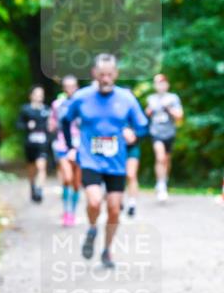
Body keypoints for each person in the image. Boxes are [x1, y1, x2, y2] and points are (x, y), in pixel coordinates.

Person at [61, 54, 149, 268]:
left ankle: (107, 250)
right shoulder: (82, 97)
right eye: (102, 75)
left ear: (116, 74)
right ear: (94, 74)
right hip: (90, 159)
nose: (106, 79)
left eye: (110, 75)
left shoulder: (126, 98)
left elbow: (143, 126)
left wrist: (133, 135)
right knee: (93, 201)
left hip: (116, 163)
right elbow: (65, 120)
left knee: (114, 209)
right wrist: (72, 147)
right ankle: (92, 228)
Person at [144, 73, 184, 202]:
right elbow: (145, 115)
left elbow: (179, 116)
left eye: (162, 83)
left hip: (169, 133)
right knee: (160, 157)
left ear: (167, 85)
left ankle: (163, 180)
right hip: (156, 133)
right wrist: (149, 111)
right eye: (157, 83)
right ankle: (161, 185)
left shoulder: (173, 98)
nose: (160, 86)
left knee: (166, 160)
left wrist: (169, 109)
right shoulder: (151, 99)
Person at [50, 75, 82, 226]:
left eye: (73, 86)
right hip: (63, 145)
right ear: (63, 88)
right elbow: (52, 123)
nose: (70, 89)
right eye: (67, 86)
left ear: (77, 87)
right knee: (67, 178)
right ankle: (66, 211)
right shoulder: (57, 104)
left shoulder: (83, 104)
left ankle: (72, 213)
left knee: (76, 183)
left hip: (81, 146)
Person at [16, 86, 52, 203]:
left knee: (42, 166)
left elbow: (51, 126)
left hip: (43, 143)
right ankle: (32, 186)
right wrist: (27, 125)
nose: (40, 96)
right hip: (30, 143)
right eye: (37, 94)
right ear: (31, 95)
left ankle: (39, 190)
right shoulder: (25, 109)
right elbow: (18, 125)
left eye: (41, 94)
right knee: (32, 168)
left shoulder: (47, 110)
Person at [124, 129, 141, 217]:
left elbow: (143, 128)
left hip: (132, 147)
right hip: (113, 146)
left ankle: (132, 204)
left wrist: (135, 134)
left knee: (131, 174)